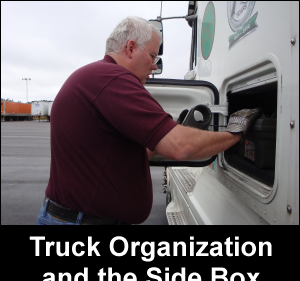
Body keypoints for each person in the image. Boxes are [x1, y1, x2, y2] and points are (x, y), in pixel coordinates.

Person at [36, 16, 261, 225]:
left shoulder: (95, 77)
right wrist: (235, 133)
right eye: (153, 56)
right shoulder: (114, 79)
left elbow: (127, 155)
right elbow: (181, 148)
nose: (154, 66)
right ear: (131, 47)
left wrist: (171, 133)